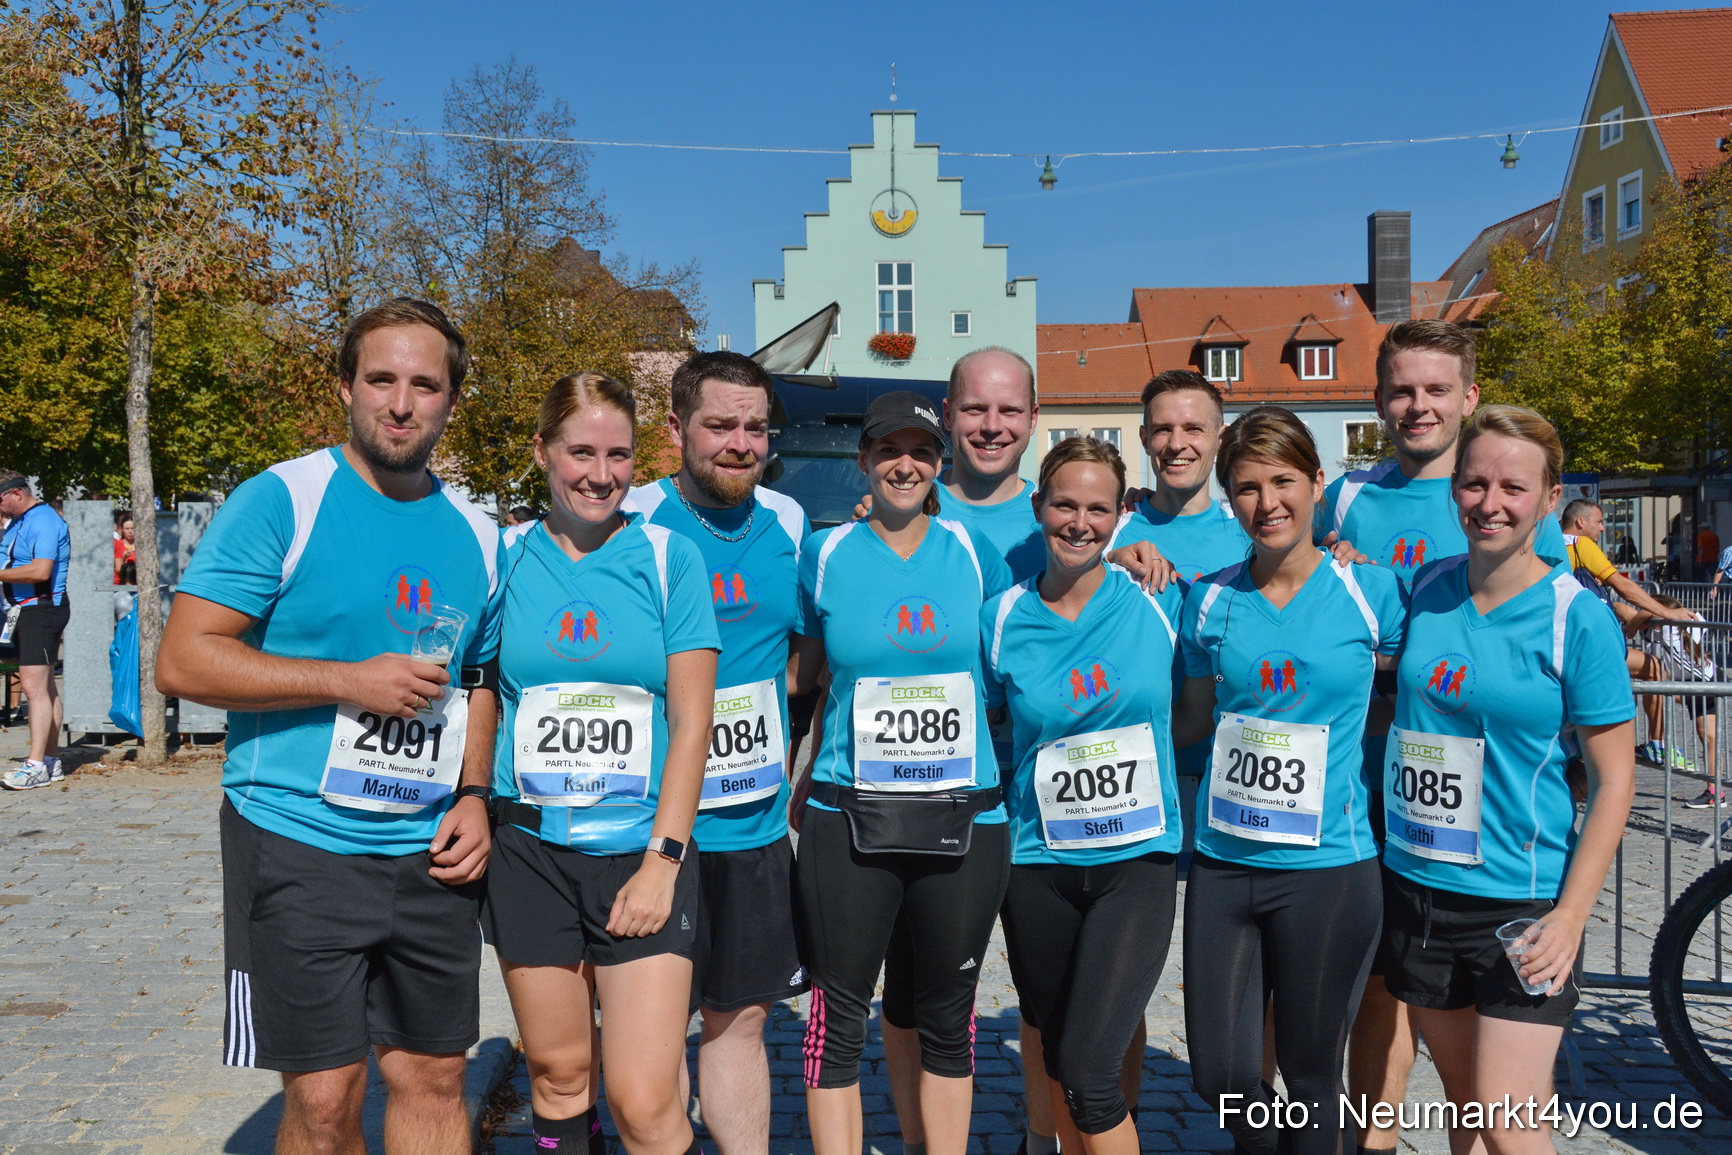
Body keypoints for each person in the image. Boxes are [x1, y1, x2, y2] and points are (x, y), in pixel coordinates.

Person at [156, 298, 504, 1153]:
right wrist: (348, 680)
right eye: (380, 379)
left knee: (434, 1078)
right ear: (345, 386)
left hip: (429, 852)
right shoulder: (283, 499)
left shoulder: (481, 533)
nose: (399, 402)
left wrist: (475, 791)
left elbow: (482, 679)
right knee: (322, 1101)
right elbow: (185, 660)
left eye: (424, 384)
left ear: (450, 401)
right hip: (298, 839)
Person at [864, 348, 1168, 1155]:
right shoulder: (904, 510)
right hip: (940, 808)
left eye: (1008, 411)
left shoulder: (1128, 556)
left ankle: (1081, 1126)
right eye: (974, 410)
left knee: (1093, 1019)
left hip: (1078, 825)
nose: (991, 426)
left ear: (1034, 419)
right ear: (949, 414)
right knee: (930, 1001)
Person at [1315, 318, 1559, 1155]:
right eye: (1402, 390)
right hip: (1371, 785)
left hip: (1485, 815)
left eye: (1436, 389)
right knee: (1379, 996)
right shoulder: (1345, 498)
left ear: (1470, 397)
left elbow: (1547, 633)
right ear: (1379, 398)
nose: (1417, 406)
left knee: (1485, 1078)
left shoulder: (1509, 488)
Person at [1379, 406, 1635, 1155]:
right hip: (1420, 890)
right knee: (1464, 1106)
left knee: (1508, 1118)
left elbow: (1615, 779)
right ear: (1454, 489)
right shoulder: (1424, 586)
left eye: (1513, 488)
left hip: (1521, 907)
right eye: (1475, 483)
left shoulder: (1576, 617)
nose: (1490, 503)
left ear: (1550, 498)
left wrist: (1570, 916)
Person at [487, 372, 718, 1155]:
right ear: (542, 451)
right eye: (580, 450)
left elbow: (692, 723)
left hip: (639, 850)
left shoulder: (667, 556)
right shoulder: (502, 557)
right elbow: (474, 688)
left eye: (618, 454)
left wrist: (663, 859)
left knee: (645, 1098)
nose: (600, 472)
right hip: (529, 853)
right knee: (557, 1071)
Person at [1172, 406, 1405, 1155]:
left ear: (1315, 481)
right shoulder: (1206, 598)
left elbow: (1420, 697)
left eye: (1282, 480)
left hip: (1329, 869)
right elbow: (1191, 720)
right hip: (1225, 862)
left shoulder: (1374, 593)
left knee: (1310, 1072)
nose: (1266, 502)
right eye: (1245, 486)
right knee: (1224, 1071)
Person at [791, 390, 1013, 1155]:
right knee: (837, 1014)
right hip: (848, 814)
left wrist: (1127, 552)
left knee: (950, 1014)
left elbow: (1055, 593)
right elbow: (802, 674)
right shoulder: (822, 553)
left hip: (965, 816)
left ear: (940, 461)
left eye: (921, 450)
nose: (905, 463)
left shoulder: (976, 550)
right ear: (865, 459)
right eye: (889, 449)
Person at [623, 350, 816, 1155]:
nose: (739, 442)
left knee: (739, 1023)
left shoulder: (791, 521)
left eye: (754, 426)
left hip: (752, 828)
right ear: (675, 429)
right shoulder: (631, 518)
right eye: (719, 425)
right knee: (652, 1037)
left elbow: (806, 655)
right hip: (648, 833)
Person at [984, 437, 1185, 1155]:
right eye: (1064, 504)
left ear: (1121, 514)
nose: (1079, 521)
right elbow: (986, 727)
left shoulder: (1163, 598)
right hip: (1039, 864)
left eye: (1098, 508)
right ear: (1038, 508)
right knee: (1053, 1046)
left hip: (1137, 862)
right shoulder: (1001, 617)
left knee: (1091, 1069)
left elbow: (1200, 704)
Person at [0, 472, 71, 789]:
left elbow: (41, 569)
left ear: (15, 493)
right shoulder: (18, 521)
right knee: (45, 688)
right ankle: (50, 760)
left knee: (33, 686)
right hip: (25, 610)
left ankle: (35, 765)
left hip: (40, 608)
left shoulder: (42, 519)